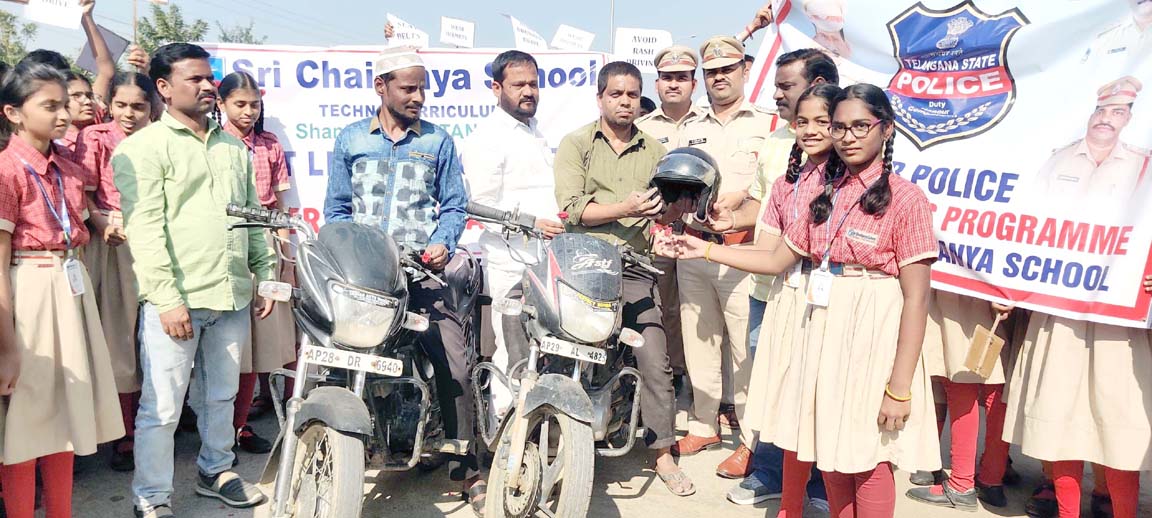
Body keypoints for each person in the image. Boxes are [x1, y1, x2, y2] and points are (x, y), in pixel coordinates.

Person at [666, 83, 942, 518]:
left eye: (861, 126)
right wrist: (701, 249)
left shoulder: (907, 200)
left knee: (867, 457)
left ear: (886, 129)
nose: (848, 137)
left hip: (873, 335)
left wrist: (899, 387)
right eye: (841, 127)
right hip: (822, 329)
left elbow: (917, 298)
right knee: (829, 448)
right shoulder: (825, 192)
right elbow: (776, 259)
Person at [113, 43, 275, 518]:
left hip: (230, 294)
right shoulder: (141, 149)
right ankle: (152, 496)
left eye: (209, 78)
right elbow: (145, 231)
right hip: (177, 300)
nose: (208, 86)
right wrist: (166, 300)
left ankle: (216, 471)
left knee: (221, 396)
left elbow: (251, 215)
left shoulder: (233, 148)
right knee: (162, 407)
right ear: (163, 87)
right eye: (196, 79)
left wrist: (265, 272)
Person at [322, 46, 480, 512]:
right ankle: (334, 450)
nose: (418, 97)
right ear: (381, 87)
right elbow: (336, 210)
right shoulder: (352, 139)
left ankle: (466, 467)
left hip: (421, 273)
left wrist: (443, 243)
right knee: (338, 359)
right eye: (409, 88)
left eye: (422, 89)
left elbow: (454, 206)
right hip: (365, 277)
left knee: (454, 364)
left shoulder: (437, 141)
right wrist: (346, 251)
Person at [553, 61, 692, 497]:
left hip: (634, 267)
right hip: (581, 266)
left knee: (654, 356)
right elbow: (572, 209)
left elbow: (663, 214)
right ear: (600, 98)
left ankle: (662, 451)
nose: (625, 102)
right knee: (559, 349)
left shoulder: (655, 151)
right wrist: (626, 209)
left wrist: (672, 212)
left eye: (632, 95)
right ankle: (551, 438)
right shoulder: (576, 143)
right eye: (616, 94)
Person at [710, 47, 837, 505]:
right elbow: (762, 206)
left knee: (816, 386)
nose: (777, 95)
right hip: (767, 287)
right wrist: (730, 220)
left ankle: (820, 481)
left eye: (786, 86)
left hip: (818, 292)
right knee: (768, 381)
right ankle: (769, 471)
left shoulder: (843, 149)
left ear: (818, 85)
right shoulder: (777, 141)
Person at [0, 61, 124, 518]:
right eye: (49, 106)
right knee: (27, 424)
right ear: (13, 113)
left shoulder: (69, 170)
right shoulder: (6, 171)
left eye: (64, 105)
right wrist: (7, 347)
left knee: (67, 417)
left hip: (71, 287)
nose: (63, 114)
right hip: (29, 291)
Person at [672, 36, 774, 479]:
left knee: (745, 348)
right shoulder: (689, 125)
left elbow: (772, 186)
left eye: (727, 69)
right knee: (699, 342)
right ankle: (704, 424)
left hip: (743, 249)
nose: (719, 77)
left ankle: (752, 439)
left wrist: (738, 202)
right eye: (711, 71)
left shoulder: (767, 123)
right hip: (694, 245)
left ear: (745, 70)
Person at [460, 50, 564, 423]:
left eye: (533, 84)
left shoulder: (535, 132)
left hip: (544, 258)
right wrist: (530, 223)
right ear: (496, 88)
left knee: (543, 346)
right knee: (510, 346)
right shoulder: (487, 137)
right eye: (518, 84)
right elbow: (478, 206)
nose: (528, 91)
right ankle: (504, 429)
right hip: (509, 261)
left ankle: (534, 427)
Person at [75, 71, 157, 473]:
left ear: (151, 107)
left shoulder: (160, 137)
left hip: (157, 236)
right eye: (121, 105)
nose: (129, 113)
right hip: (113, 239)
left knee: (155, 336)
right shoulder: (96, 138)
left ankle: (155, 423)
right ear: (109, 104)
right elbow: (86, 194)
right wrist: (102, 224)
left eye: (138, 106)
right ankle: (124, 432)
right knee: (120, 338)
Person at [214, 71, 296, 457]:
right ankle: (220, 429)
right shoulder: (212, 144)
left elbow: (280, 207)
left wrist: (286, 258)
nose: (248, 112)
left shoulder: (269, 144)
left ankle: (241, 424)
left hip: (264, 241)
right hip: (226, 240)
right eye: (240, 104)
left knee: (259, 341)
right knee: (230, 345)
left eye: (255, 105)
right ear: (221, 104)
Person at [905, 293, 1013, 511]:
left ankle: (961, 484)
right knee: (996, 383)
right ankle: (992, 479)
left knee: (962, 377)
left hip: (967, 292)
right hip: (1002, 292)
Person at [636, 44, 701, 398]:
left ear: (694, 83)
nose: (674, 84)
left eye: (682, 77)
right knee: (662, 309)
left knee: (700, 314)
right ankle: (671, 377)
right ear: (657, 83)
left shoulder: (710, 123)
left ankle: (707, 388)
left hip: (702, 235)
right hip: (656, 234)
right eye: (667, 77)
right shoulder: (640, 128)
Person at [1034, 76, 1149, 199]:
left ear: (1128, 119)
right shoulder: (1059, 158)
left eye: (1117, 113)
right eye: (1100, 111)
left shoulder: (1142, 164)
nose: (1105, 119)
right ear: (1091, 115)